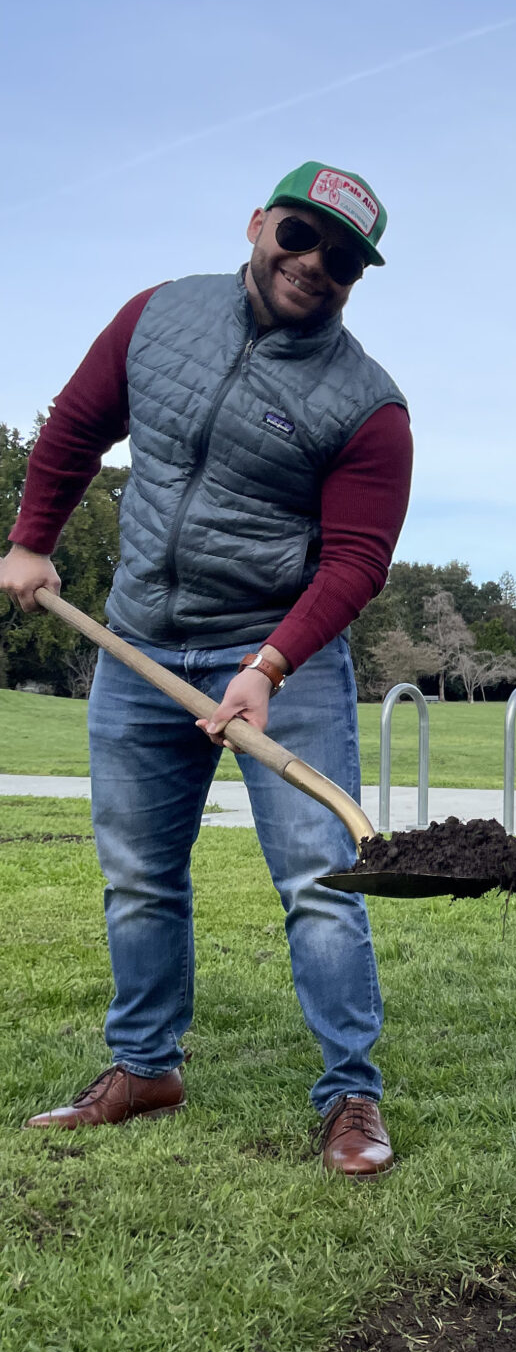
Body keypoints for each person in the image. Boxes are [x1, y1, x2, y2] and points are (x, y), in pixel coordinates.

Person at [1, 163, 413, 1176]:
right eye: (301, 236)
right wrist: (31, 539)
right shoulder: (158, 316)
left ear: (358, 277)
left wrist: (270, 663)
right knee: (140, 874)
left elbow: (356, 559)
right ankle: (145, 1068)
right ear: (260, 223)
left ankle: (351, 1094)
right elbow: (74, 428)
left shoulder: (369, 406)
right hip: (138, 644)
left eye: (344, 258)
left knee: (323, 879)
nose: (315, 265)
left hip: (284, 656)